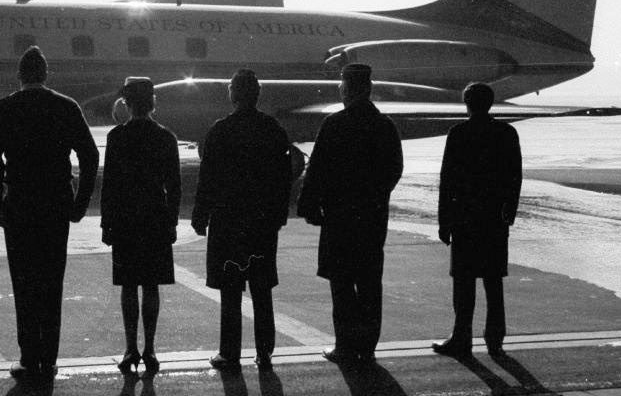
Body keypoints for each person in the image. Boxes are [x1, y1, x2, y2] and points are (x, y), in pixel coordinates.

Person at [0, 46, 99, 380]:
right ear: (46, 74)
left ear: (19, 75)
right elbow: (89, 156)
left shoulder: (4, 108)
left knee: (24, 284)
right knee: (51, 283)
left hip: (19, 206)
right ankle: (49, 358)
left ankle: (28, 356)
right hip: (55, 207)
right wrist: (80, 203)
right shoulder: (65, 106)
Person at [297, 63, 403, 364]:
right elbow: (394, 169)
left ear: (346, 88)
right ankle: (367, 346)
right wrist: (376, 197)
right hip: (371, 216)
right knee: (370, 282)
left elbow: (316, 169)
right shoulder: (384, 125)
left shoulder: (335, 124)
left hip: (340, 216)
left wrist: (309, 205)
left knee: (342, 283)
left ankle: (345, 344)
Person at [190, 69, 293, 370]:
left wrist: (200, 215)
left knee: (231, 289)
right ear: (258, 94)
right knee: (262, 289)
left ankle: (230, 352)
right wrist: (278, 215)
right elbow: (284, 177)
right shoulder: (272, 128)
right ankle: (264, 352)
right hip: (261, 222)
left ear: (233, 94)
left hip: (229, 222)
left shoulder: (220, 130)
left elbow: (207, 178)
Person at [99, 77, 180, 376]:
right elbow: (175, 187)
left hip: (125, 219)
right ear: (153, 103)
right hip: (155, 218)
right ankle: (151, 349)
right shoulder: (166, 137)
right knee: (152, 285)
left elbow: (109, 187)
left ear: (127, 103)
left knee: (129, 286)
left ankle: (130, 347)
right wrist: (172, 221)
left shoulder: (117, 137)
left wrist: (107, 224)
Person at [433, 81, 521, 358]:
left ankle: (461, 337)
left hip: (464, 217)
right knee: (493, 281)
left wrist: (444, 220)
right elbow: (514, 176)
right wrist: (510, 211)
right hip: (494, 217)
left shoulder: (459, 133)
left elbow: (447, 180)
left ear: (467, 104)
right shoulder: (507, 133)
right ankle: (495, 338)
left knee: (464, 282)